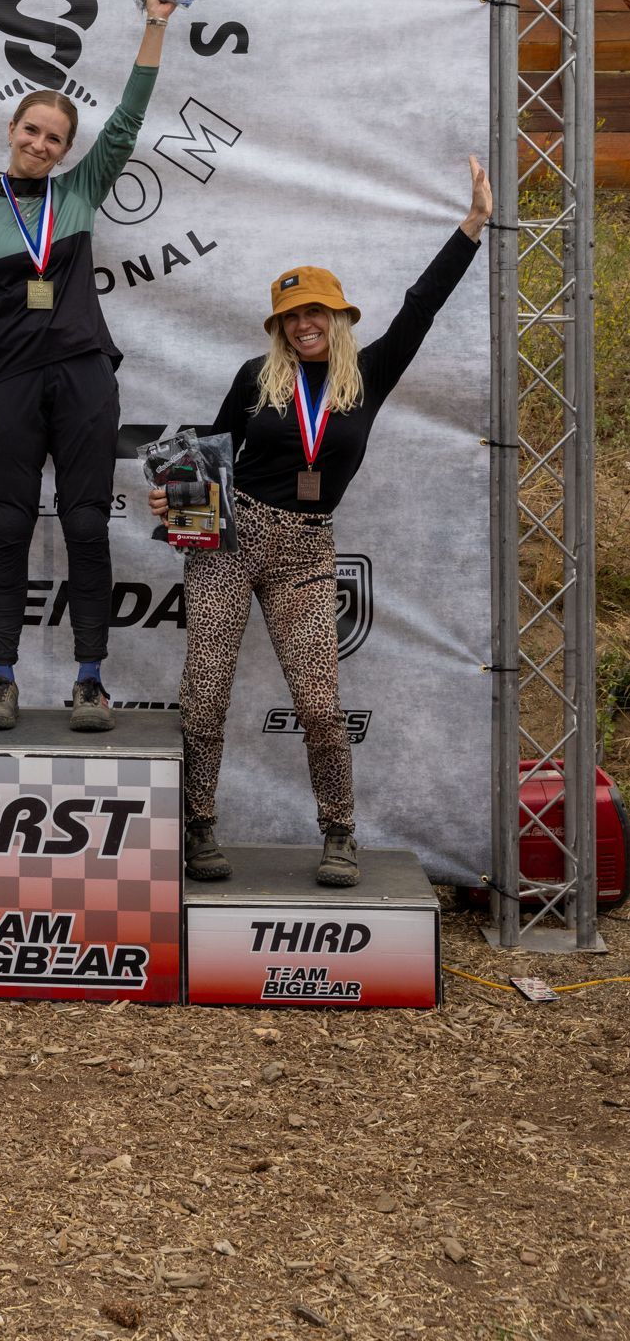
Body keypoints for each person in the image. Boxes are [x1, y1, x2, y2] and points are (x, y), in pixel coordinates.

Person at [151, 157, 493, 888]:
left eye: (315, 312)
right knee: (204, 693)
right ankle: (199, 828)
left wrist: (469, 228)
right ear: (280, 326)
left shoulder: (367, 375)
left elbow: (420, 306)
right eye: (291, 315)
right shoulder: (254, 376)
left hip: (307, 552)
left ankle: (339, 835)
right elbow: (207, 451)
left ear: (336, 318)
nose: (304, 324)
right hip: (230, 540)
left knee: (318, 704)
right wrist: (174, 501)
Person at [0, 0, 179, 732]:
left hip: (81, 378)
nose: (40, 144)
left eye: (54, 139)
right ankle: (0, 679)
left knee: (83, 526)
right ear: (11, 129)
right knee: (7, 528)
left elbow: (131, 116)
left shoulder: (80, 192)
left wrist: (154, 24)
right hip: (8, 381)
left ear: (67, 150)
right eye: (31, 131)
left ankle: (89, 681)